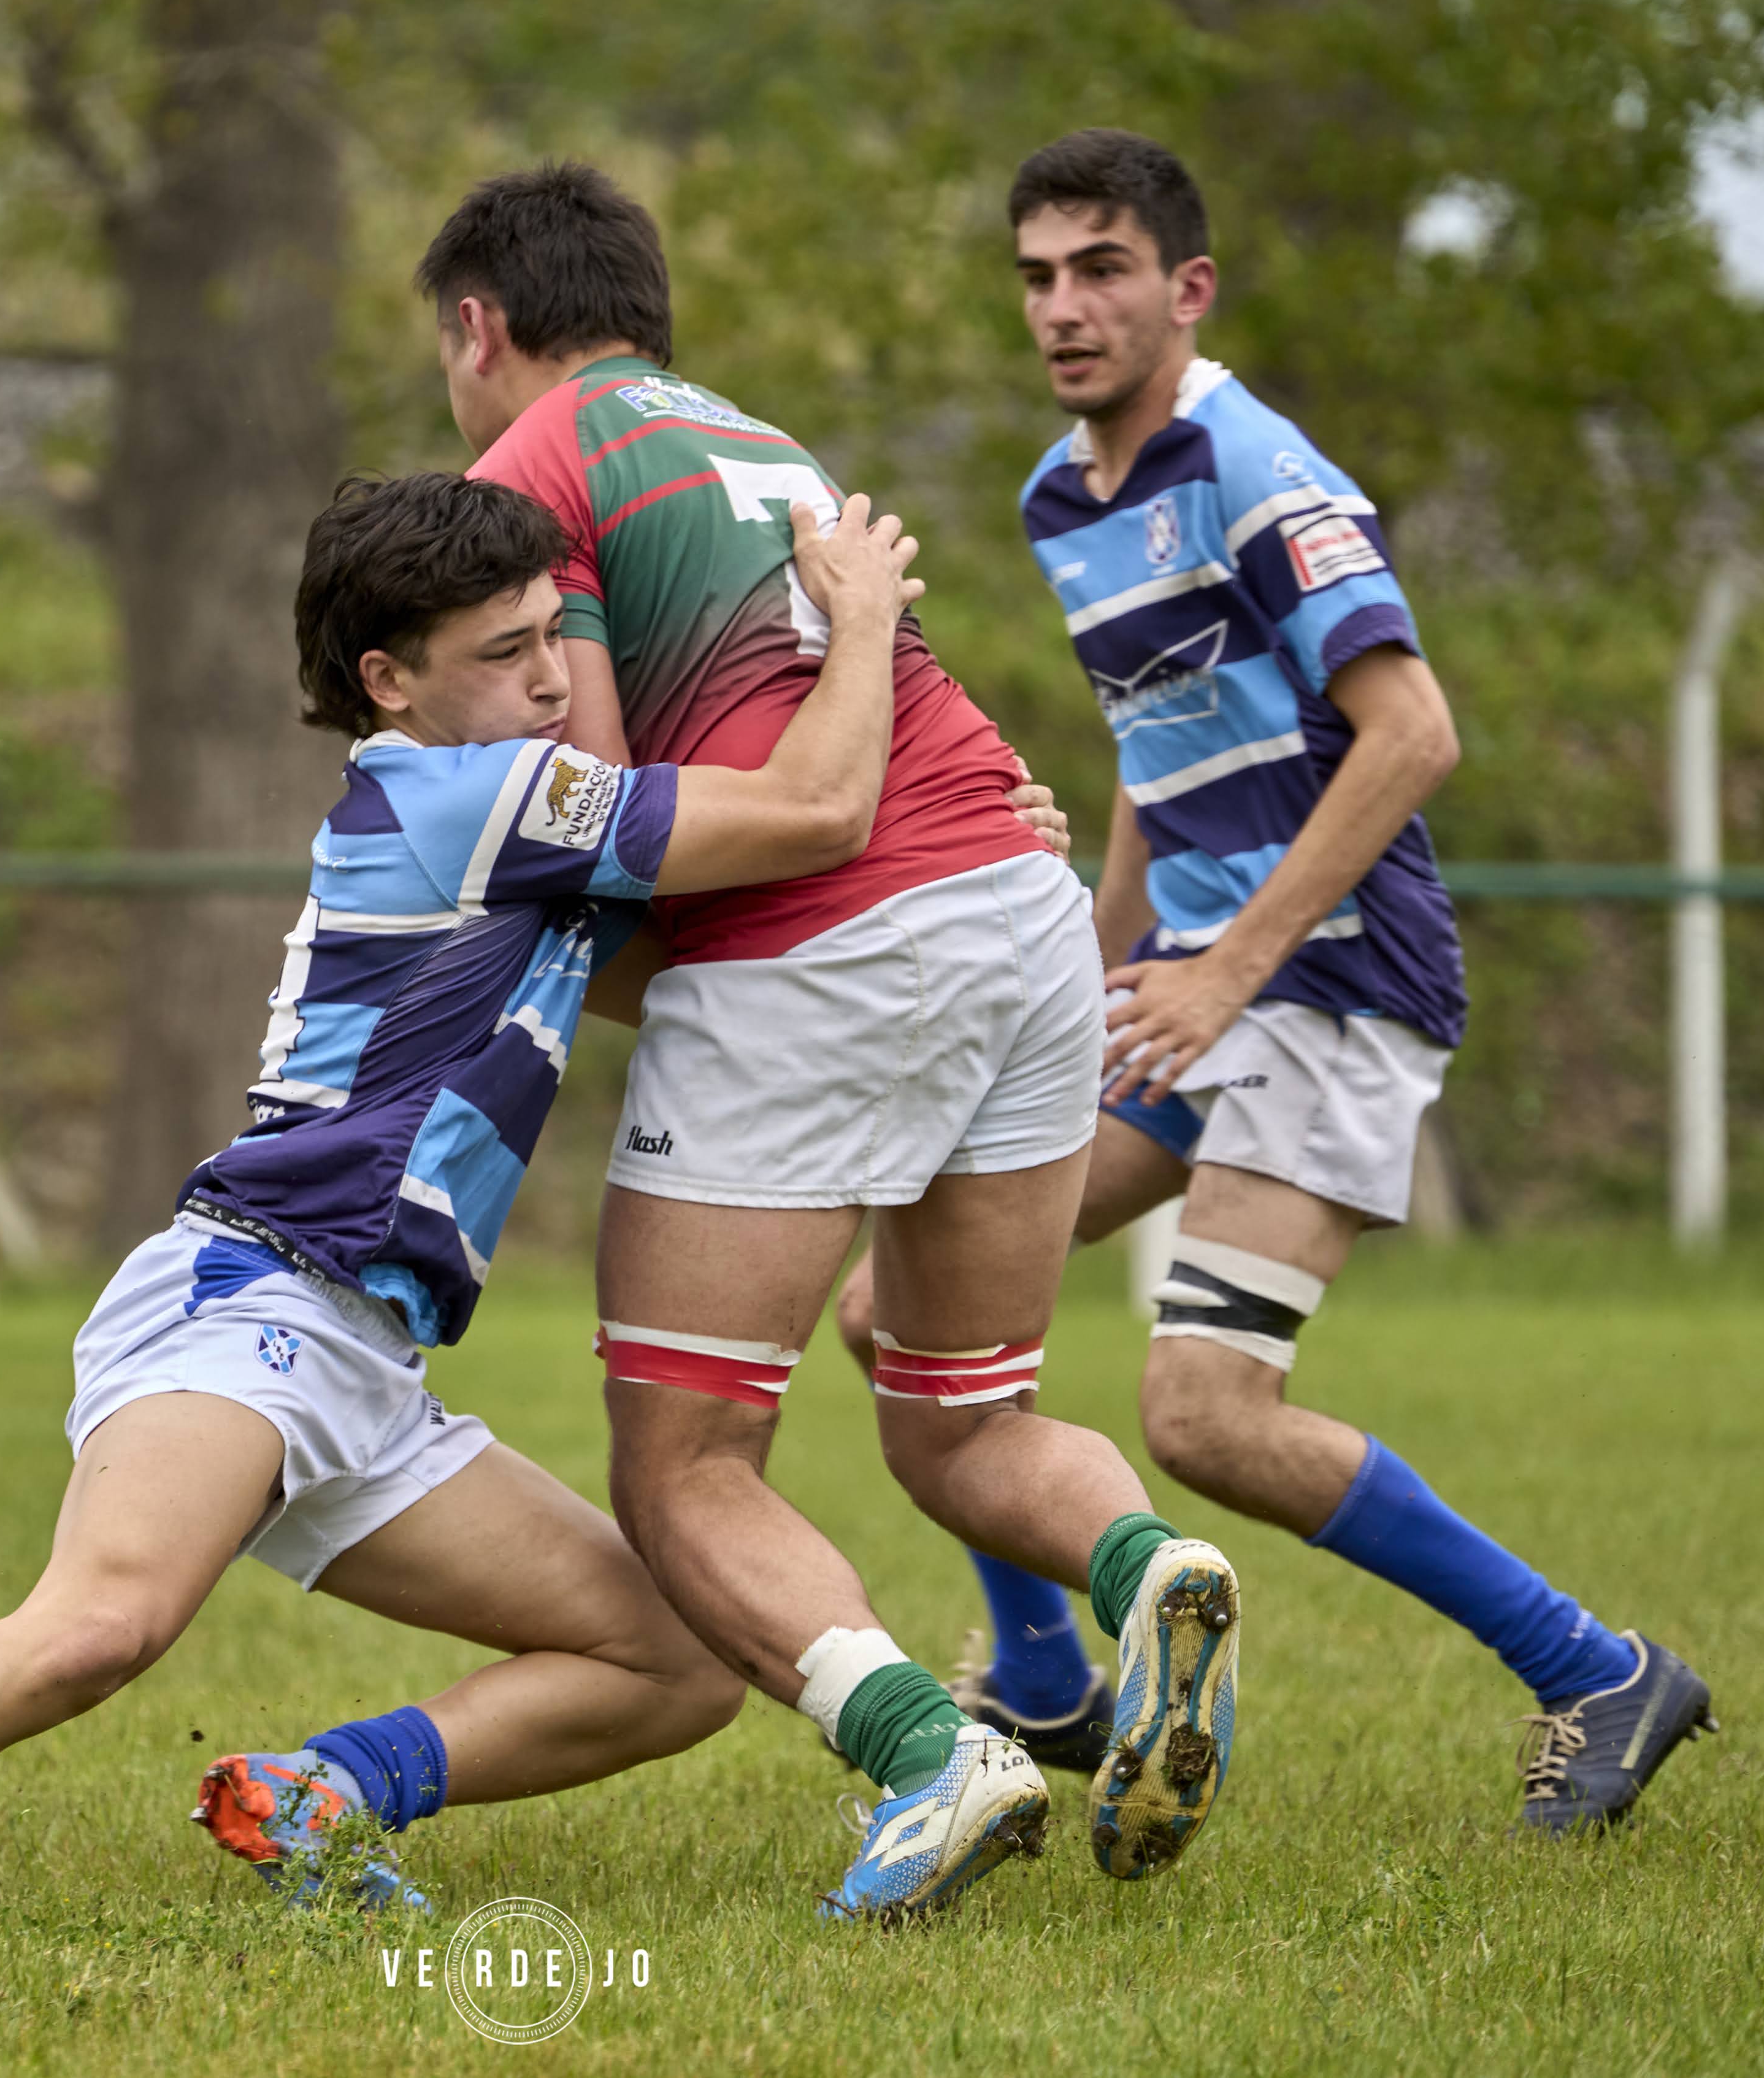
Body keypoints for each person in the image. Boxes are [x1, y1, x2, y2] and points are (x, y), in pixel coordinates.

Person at [0, 471, 963, 1925]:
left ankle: (318, 1795)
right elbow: (815, 810)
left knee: (678, 1661)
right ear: (390, 682)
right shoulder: (462, 793)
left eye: (550, 632)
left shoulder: (502, 805)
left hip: (361, 1354)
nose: (552, 676)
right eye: (502, 654)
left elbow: (692, 943)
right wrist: (863, 615)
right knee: (97, 1628)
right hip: (250, 1296)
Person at [834, 129, 1713, 1833]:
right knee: (901, 1308)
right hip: (1183, 989)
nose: (1065, 307)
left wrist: (1231, 970)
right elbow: (1161, 766)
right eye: (1037, 275)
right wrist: (1079, 981)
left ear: (1188, 285)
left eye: (1101, 269)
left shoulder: (1259, 466)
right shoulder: (1061, 498)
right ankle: (1040, 1679)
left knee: (1207, 1418)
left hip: (1330, 983)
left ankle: (1600, 1667)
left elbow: (1416, 732)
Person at [425, 163, 1241, 1906]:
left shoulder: (531, 461)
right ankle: (1152, 1561)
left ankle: (932, 1760)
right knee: (961, 1417)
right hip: (1015, 909)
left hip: (820, 941)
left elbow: (610, 786)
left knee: (685, 1467)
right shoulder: (762, 440)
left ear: (478, 328)